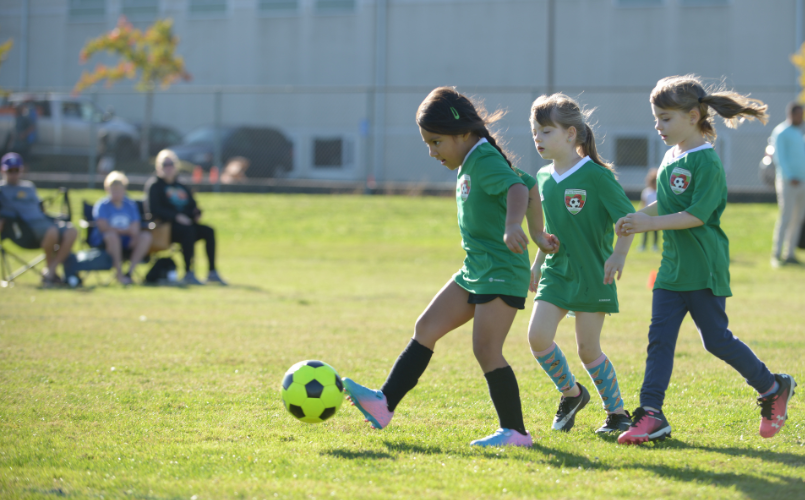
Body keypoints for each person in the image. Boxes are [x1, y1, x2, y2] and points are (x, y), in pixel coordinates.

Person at [342, 87, 559, 447]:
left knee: (486, 349)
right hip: (476, 267)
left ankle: (516, 433)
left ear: (462, 133)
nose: (432, 152)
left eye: (436, 142)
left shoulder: (484, 158)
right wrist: (536, 232)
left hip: (501, 269)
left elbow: (517, 191)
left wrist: (514, 228)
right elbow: (528, 182)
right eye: (428, 143)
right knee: (426, 326)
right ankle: (384, 404)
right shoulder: (474, 158)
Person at [615, 75, 795, 445]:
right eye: (656, 117)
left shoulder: (707, 161)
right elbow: (668, 204)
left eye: (666, 118)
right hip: (671, 270)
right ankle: (652, 414)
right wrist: (637, 217)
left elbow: (696, 215)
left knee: (715, 340)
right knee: (659, 340)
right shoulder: (671, 156)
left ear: (694, 116)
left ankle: (773, 387)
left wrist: (650, 223)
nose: (658, 126)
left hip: (703, 267)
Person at [527, 93, 636, 435]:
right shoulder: (542, 178)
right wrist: (538, 262)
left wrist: (618, 254)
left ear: (571, 134)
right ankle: (571, 394)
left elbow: (628, 220)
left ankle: (617, 414)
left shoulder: (597, 177)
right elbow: (550, 232)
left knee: (588, 349)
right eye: (535, 131)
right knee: (537, 338)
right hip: (557, 272)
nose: (537, 138)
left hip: (593, 274)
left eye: (546, 131)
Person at [144, 149, 226, 286]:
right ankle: (189, 272)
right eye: (165, 164)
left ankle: (212, 272)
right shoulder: (155, 186)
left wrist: (196, 213)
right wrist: (176, 217)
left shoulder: (181, 185)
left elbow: (192, 205)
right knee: (188, 231)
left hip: (186, 223)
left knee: (208, 231)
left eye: (171, 164)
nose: (168, 167)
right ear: (159, 167)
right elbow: (154, 210)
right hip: (166, 228)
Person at [0, 152, 77, 285]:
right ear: (3, 170)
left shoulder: (29, 187)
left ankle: (51, 270)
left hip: (44, 222)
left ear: (21, 170)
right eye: (10, 171)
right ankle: (50, 275)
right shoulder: (2, 189)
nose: (13, 174)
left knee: (72, 231)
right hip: (24, 229)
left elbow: (40, 208)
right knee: (52, 231)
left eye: (16, 170)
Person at [91, 171, 152, 285]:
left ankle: (129, 272)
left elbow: (135, 226)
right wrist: (124, 231)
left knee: (145, 236)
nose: (116, 192)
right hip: (106, 242)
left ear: (124, 189)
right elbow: (103, 227)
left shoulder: (130, 205)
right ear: (107, 189)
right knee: (112, 236)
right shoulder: (102, 206)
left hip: (127, 240)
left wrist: (132, 233)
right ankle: (119, 274)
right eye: (113, 189)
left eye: (119, 189)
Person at [769, 101, 805, 267]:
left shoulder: (799, 132)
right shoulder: (781, 131)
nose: (801, 117)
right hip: (788, 182)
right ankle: (776, 255)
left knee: (798, 218)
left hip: (802, 182)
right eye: (798, 114)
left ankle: (789, 253)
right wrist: (791, 176)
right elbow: (780, 158)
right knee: (786, 217)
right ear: (791, 114)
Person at [639, 168, 659, 252]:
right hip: (647, 216)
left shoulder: (659, 192)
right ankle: (643, 245)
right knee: (645, 231)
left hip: (656, 216)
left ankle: (655, 245)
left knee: (655, 232)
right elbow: (643, 203)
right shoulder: (646, 192)